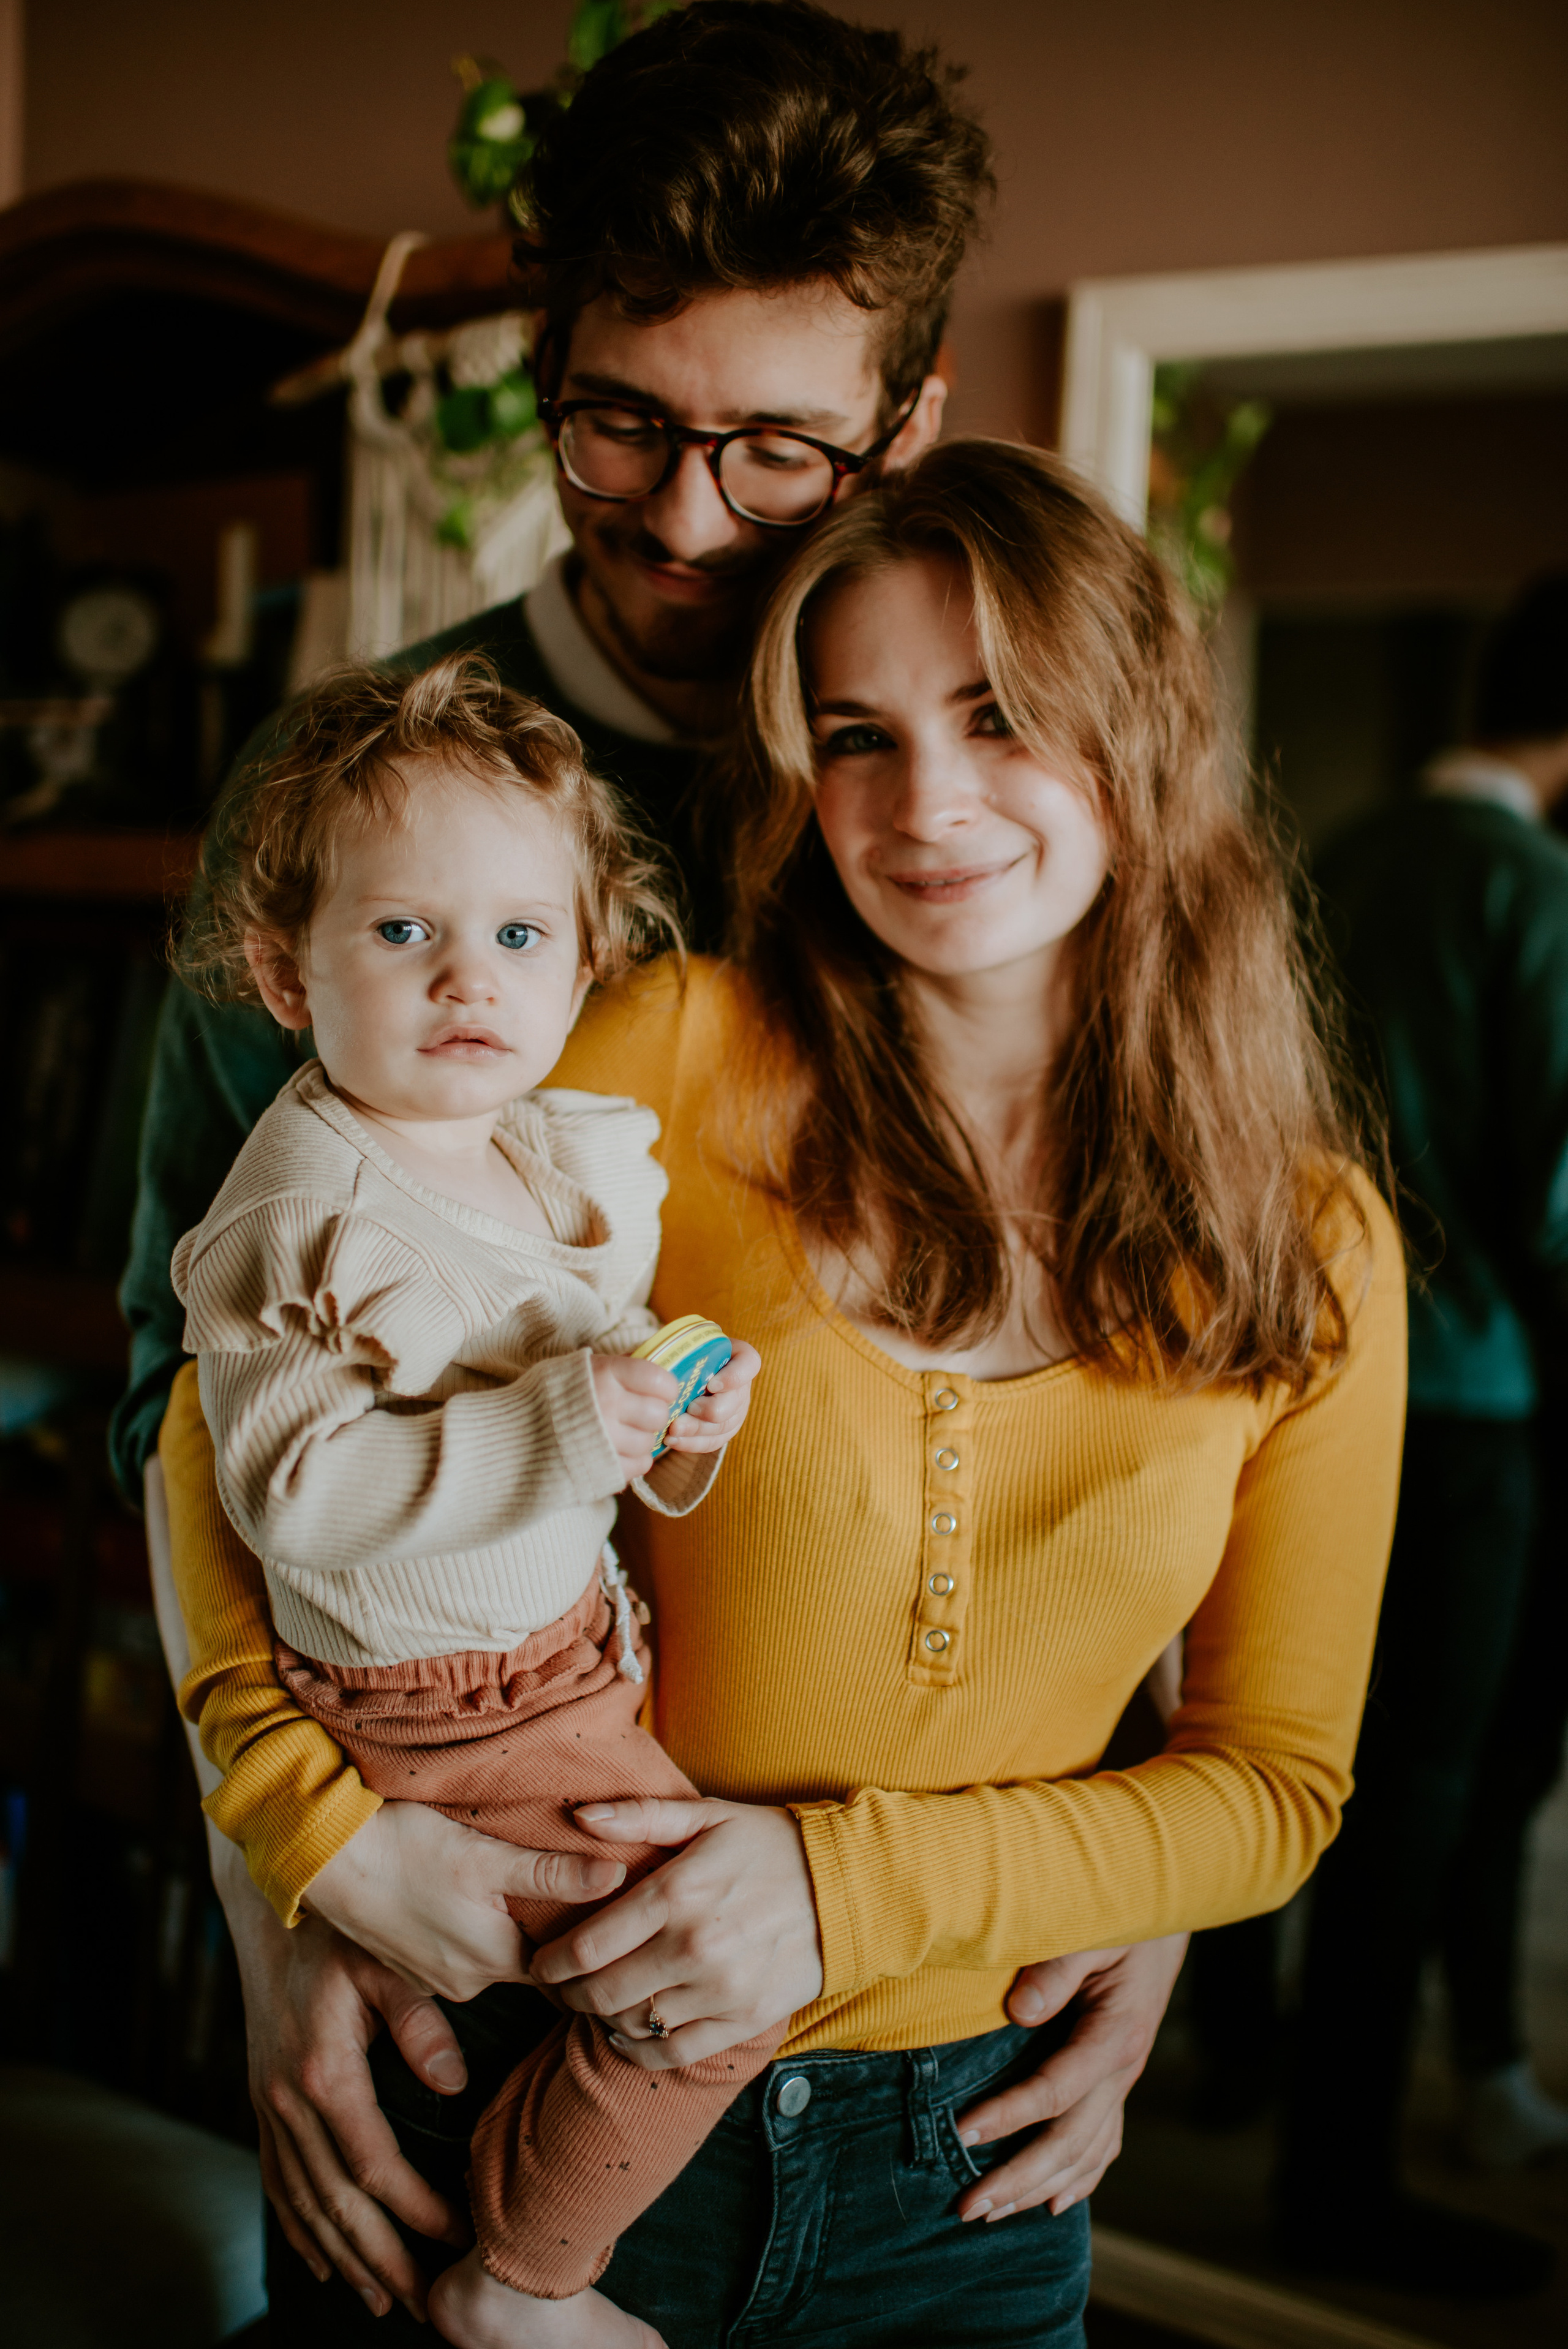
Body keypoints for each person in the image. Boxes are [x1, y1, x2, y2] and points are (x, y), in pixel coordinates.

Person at [115, 9, 1193, 2331]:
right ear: (541, 364)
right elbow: (184, 1380)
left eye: (779, 447)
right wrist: (286, 1884)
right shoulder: (358, 812)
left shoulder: (990, 819)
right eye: (622, 420)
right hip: (445, 1917)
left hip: (908, 1989)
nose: (688, 516)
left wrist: (1154, 1870)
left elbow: (1141, 1364)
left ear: (907, 425)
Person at [165, 437, 1406, 2348]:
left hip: (969, 2170)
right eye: (854, 734)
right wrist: (307, 1847)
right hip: (517, 2044)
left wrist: (844, 1889)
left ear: (1141, 725)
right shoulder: (660, 1060)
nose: (925, 801)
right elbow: (221, 1411)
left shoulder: (1310, 1243)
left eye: (1000, 716)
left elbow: (1277, 1782)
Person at [172, 655, 777, 2349]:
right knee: (716, 1999)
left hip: (564, 1648)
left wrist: (674, 1424)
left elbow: (589, 1429)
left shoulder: (537, 1147)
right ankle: (525, 2282)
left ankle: (497, 2197)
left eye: (519, 936)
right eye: (402, 934)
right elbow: (297, 1491)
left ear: (587, 955)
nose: (468, 979)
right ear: (286, 972)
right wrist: (567, 1423)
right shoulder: (305, 1208)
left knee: (622, 1968)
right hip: (440, 1700)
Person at [1276, 574, 1568, 2300]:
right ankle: (1337, 2186)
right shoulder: (1537, 890)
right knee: (1423, 1794)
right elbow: (1551, 1192)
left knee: (1268, 1744)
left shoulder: (1339, 850)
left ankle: (1239, 2049)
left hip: (1301, 1374)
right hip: (1466, 1403)